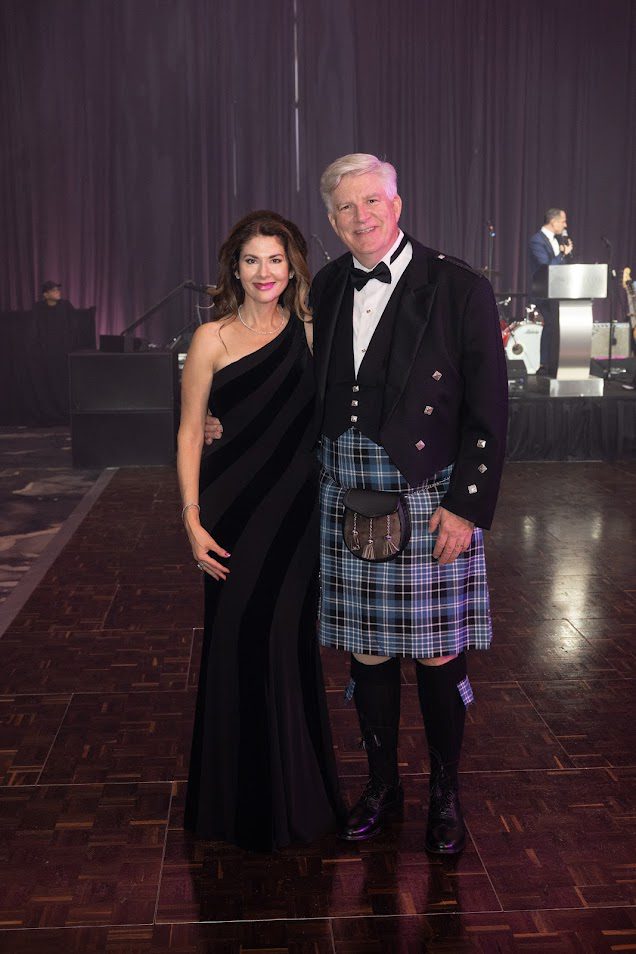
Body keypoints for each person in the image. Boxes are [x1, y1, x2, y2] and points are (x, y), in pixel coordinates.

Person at [205, 154, 508, 855]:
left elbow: (489, 411)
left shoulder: (458, 286)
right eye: (345, 207)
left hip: (427, 495)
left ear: (397, 204)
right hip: (344, 490)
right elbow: (283, 377)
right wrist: (227, 421)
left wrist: (466, 506)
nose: (360, 216)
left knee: (437, 655)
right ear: (331, 220)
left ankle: (445, 795)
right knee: (367, 653)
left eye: (372, 201)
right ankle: (381, 786)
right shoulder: (329, 285)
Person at [178, 210, 340, 852]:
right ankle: (234, 803)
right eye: (252, 260)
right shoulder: (211, 337)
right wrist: (191, 521)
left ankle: (296, 796)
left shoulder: (314, 330)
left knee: (286, 640)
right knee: (234, 639)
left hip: (298, 512)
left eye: (276, 259)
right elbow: (191, 429)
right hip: (231, 511)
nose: (264, 272)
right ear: (235, 269)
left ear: (293, 266)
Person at [528, 208, 574, 375]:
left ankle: (556, 362)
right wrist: (561, 254)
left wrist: (566, 254)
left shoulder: (558, 240)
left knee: (558, 327)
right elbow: (546, 268)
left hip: (559, 292)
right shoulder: (536, 240)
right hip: (544, 294)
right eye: (563, 221)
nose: (565, 225)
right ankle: (544, 364)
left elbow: (561, 268)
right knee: (551, 326)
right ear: (553, 222)